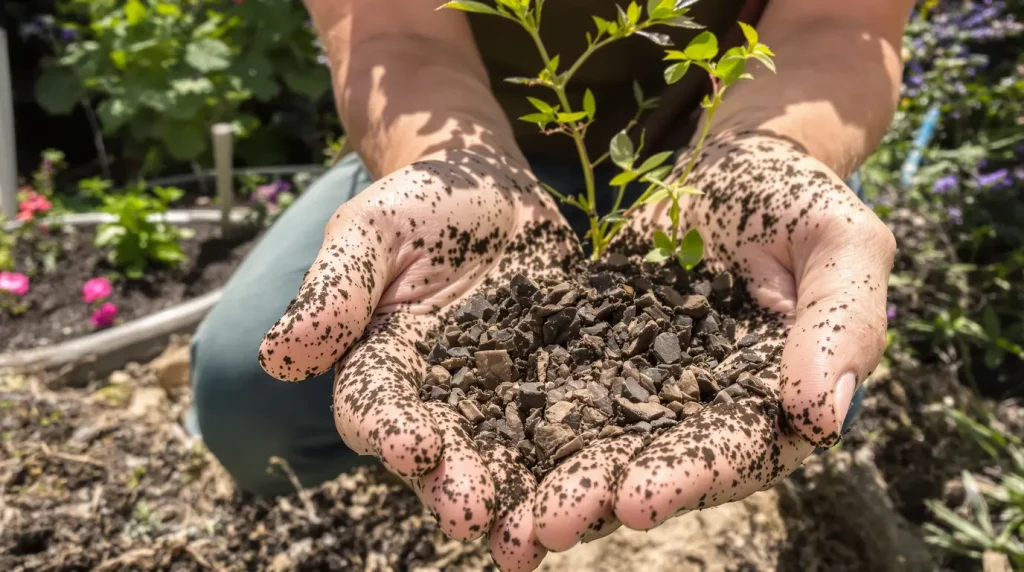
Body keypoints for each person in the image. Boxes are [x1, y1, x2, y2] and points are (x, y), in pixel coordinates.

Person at [190, 0, 908, 568]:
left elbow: (836, 26)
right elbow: (393, 34)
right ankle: (410, 465)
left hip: (711, 166)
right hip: (466, 156)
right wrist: (438, 157)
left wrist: (769, 153)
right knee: (245, 391)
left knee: (801, 377)